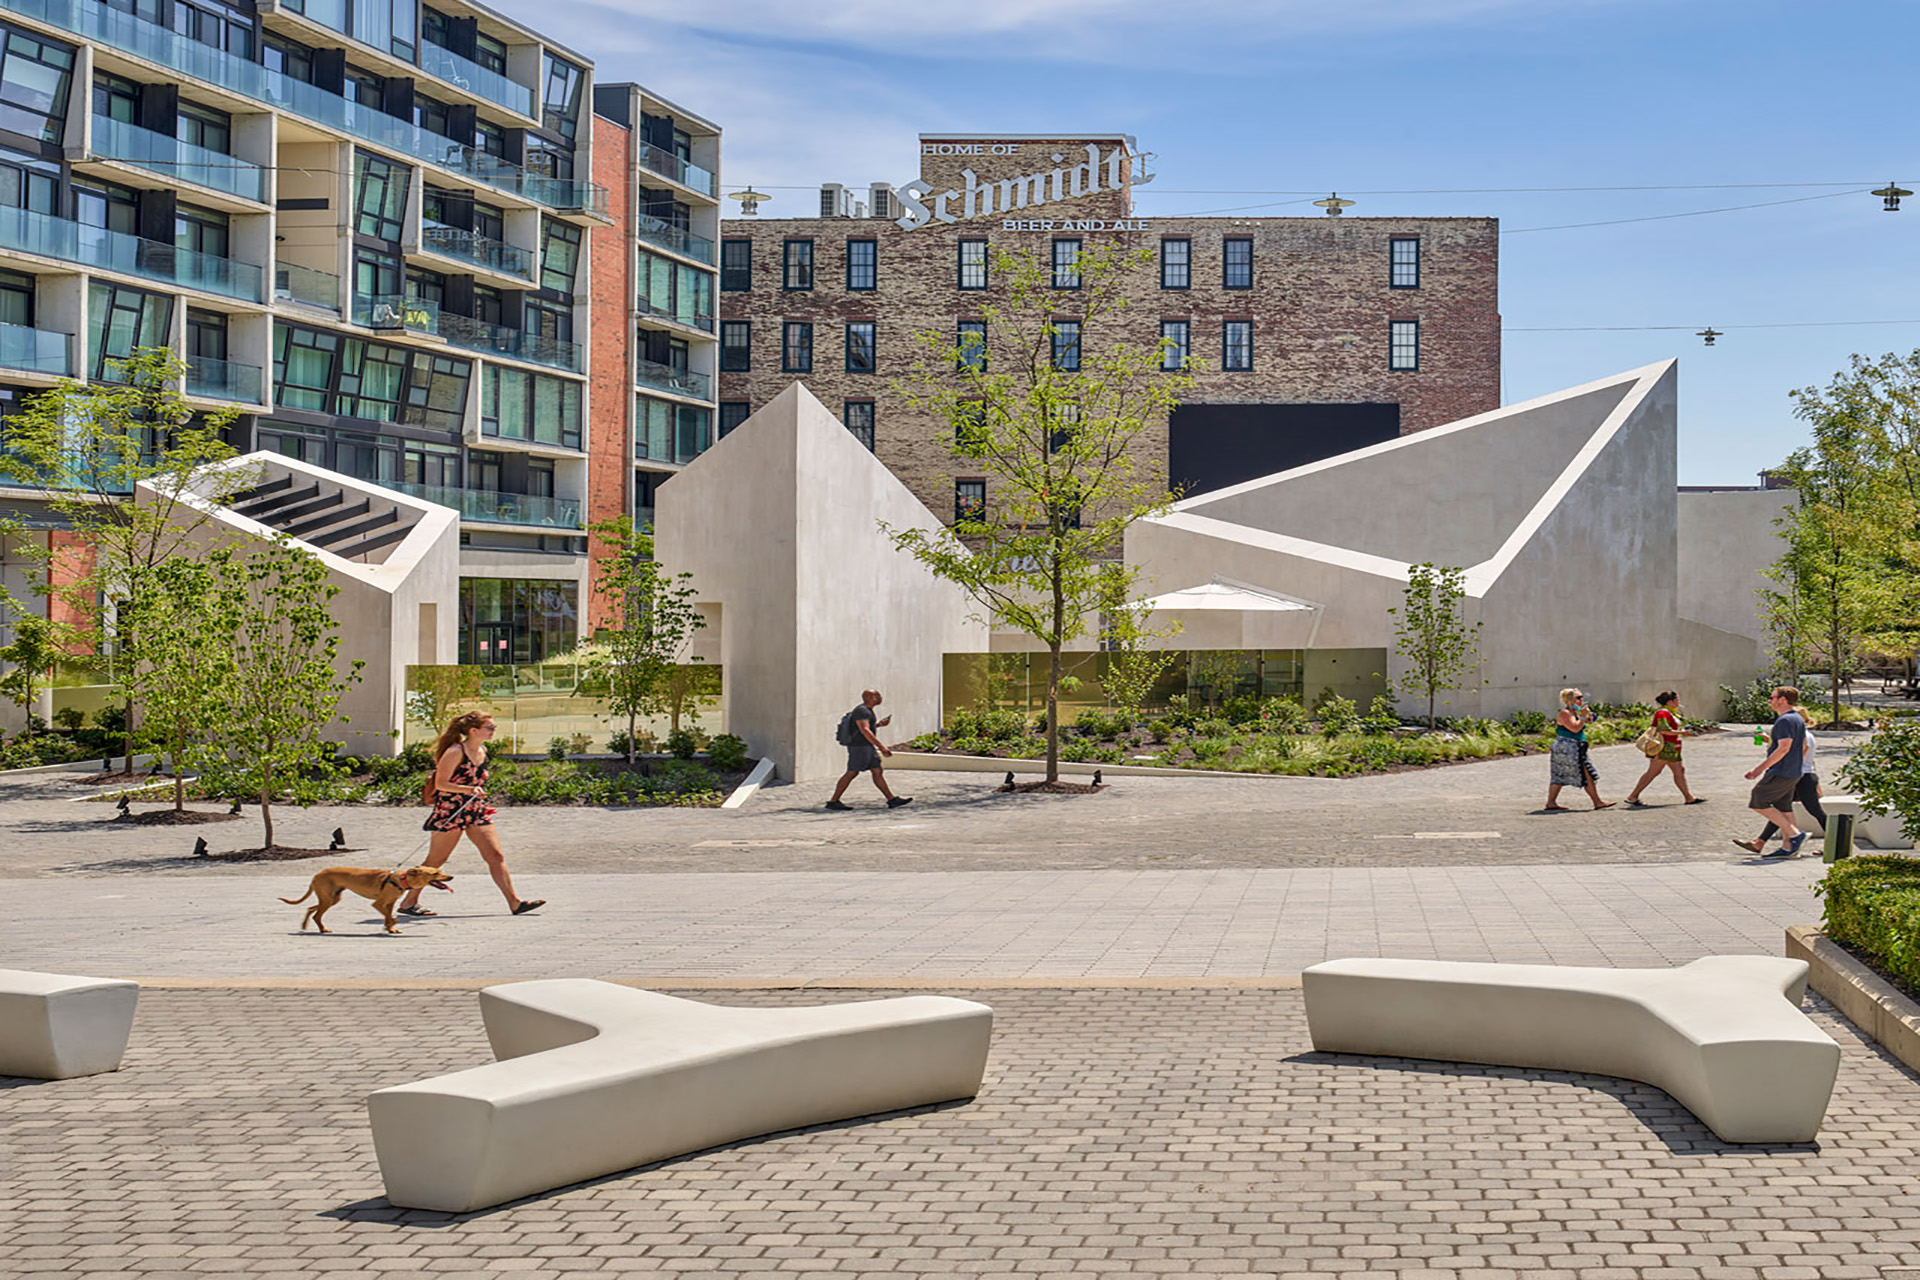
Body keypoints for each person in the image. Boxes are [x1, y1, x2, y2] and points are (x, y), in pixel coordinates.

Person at [397, 712, 545, 917]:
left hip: (475, 810)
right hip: (451, 810)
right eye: (490, 727)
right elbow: (441, 784)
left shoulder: (482, 750)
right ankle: (408, 902)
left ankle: (515, 902)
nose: (493, 731)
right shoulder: (455, 751)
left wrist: (474, 793)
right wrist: (468, 789)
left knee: (495, 855)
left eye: (493, 727)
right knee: (435, 861)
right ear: (473, 730)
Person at [1734, 719, 1824, 854]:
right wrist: (1770, 740)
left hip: (1802, 777)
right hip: (1798, 775)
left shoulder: (1804, 736)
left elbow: (1799, 750)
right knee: (1781, 809)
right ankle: (1761, 842)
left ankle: (1835, 843)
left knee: (1814, 811)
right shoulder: (1799, 734)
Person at [1743, 686, 1808, 857]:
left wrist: (1758, 770)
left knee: (1758, 799)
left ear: (1782, 700)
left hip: (1781, 771)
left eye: (1772, 698)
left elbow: (1783, 748)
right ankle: (1789, 848)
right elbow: (1803, 747)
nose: (1770, 701)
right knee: (1784, 807)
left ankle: (1795, 835)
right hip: (1793, 771)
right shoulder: (1797, 719)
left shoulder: (1785, 721)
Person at [825, 689, 912, 811]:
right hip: (860, 747)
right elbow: (864, 730)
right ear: (872, 697)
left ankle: (891, 799)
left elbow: (865, 727)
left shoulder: (866, 711)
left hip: (867, 747)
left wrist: (878, 725)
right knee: (852, 772)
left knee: (877, 771)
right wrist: (881, 747)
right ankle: (833, 801)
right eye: (878, 695)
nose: (881, 697)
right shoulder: (862, 711)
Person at [1624, 691, 1704, 806]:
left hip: (1672, 748)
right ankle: (1633, 796)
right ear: (1670, 702)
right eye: (1676, 700)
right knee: (1653, 772)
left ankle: (1688, 797)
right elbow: (1663, 730)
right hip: (1664, 748)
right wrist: (1683, 732)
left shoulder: (1670, 713)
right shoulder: (1663, 713)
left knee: (1678, 771)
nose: (1678, 702)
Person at [1545, 687, 1613, 812]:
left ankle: (1551, 802)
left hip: (1575, 746)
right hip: (1567, 747)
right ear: (1571, 700)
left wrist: (1587, 718)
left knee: (1560, 774)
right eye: (1578, 697)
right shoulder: (1565, 713)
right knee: (1584, 773)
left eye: (1582, 697)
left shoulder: (1574, 712)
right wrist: (1582, 717)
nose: (1581, 700)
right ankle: (1597, 802)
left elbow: (1581, 725)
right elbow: (1574, 728)